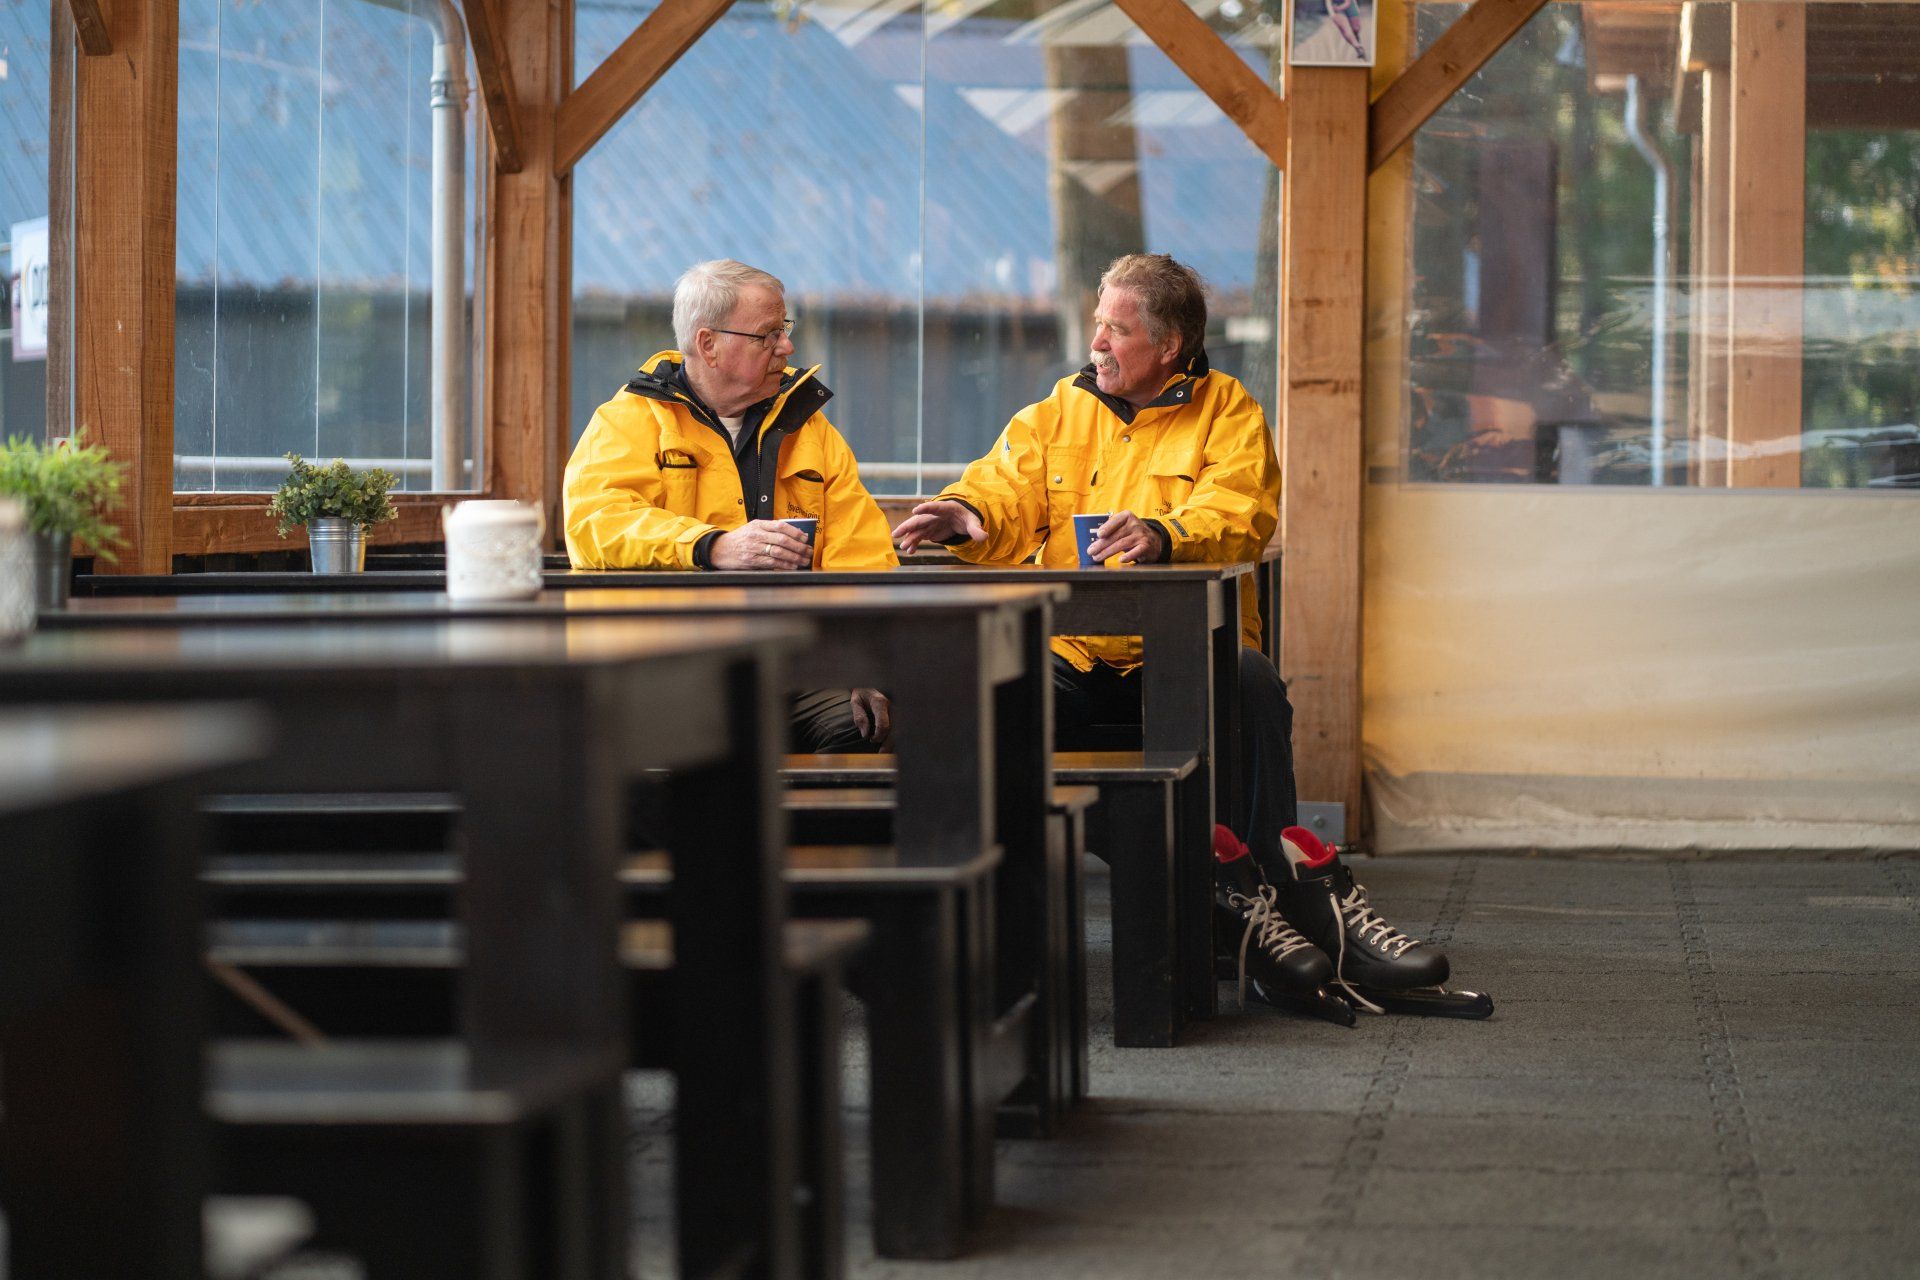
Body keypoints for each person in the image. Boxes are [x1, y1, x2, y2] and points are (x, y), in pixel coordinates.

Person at [894, 253, 1484, 1018]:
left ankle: (1293, 898)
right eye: (1098, 322)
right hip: (1073, 654)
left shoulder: (1228, 410)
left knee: (1251, 682)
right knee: (984, 697)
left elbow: (1241, 514)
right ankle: (1193, 896)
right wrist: (963, 515)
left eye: (1117, 328)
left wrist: (1165, 535)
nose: (1096, 340)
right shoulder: (1054, 412)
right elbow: (999, 488)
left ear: (1169, 345)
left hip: (1183, 652)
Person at [564, 258, 897, 751]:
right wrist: (711, 546)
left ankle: (805, 831)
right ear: (708, 344)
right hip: (663, 670)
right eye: (767, 335)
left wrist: (863, 667)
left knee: (865, 729)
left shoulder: (812, 430)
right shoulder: (627, 421)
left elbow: (862, 554)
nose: (786, 347)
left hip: (793, 669)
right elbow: (597, 522)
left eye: (785, 330)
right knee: (684, 768)